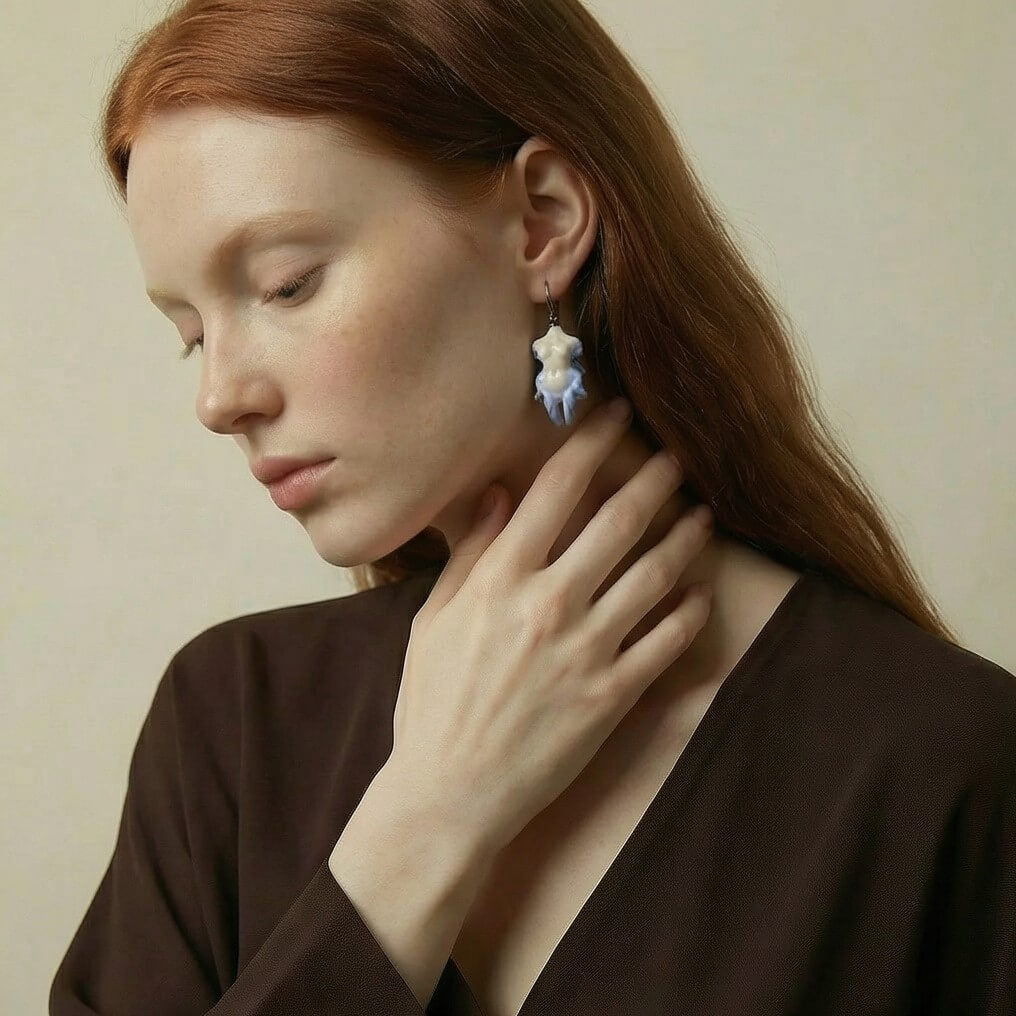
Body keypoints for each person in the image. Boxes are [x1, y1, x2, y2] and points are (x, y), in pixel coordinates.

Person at [51, 1, 1014, 1014]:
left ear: (542, 223)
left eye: (285, 285)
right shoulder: (231, 726)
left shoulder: (940, 763)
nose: (219, 399)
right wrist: (427, 820)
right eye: (191, 333)